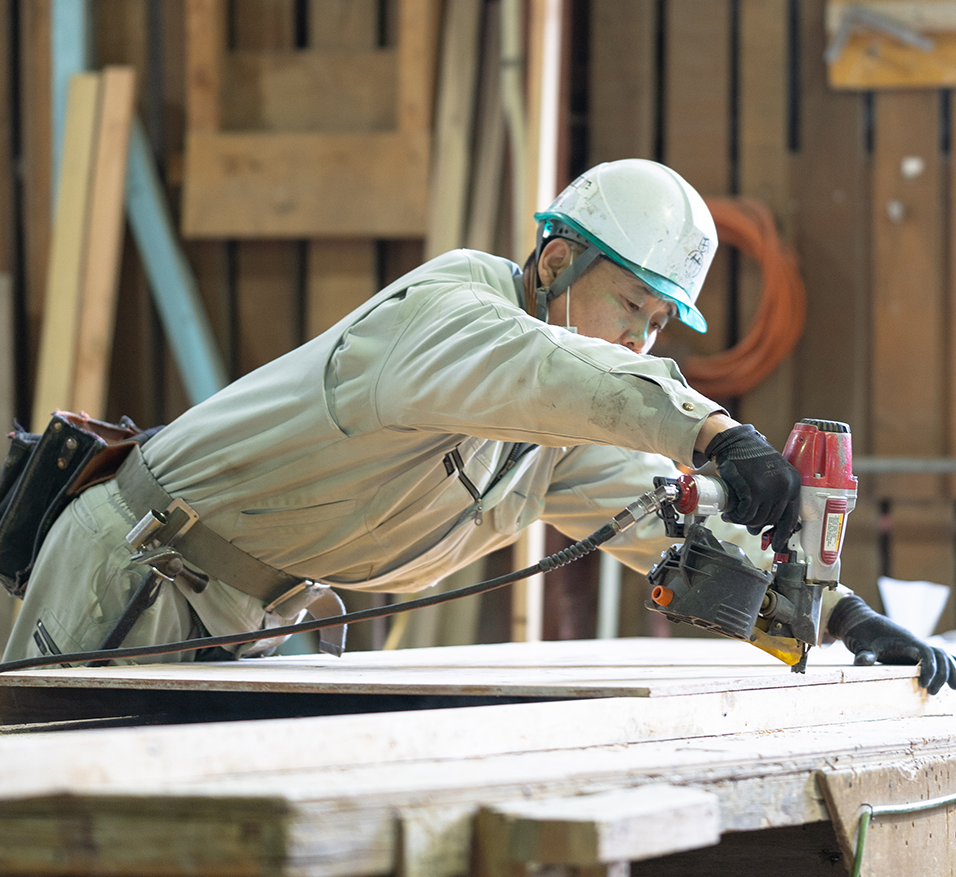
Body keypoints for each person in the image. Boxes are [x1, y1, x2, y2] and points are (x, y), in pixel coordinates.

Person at [5, 160, 954, 692]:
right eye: (630, 303)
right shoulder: (448, 314)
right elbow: (548, 368)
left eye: (656, 323)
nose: (638, 334)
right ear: (555, 256)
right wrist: (710, 433)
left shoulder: (543, 437)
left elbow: (664, 521)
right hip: (137, 574)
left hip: (236, 611)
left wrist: (838, 616)